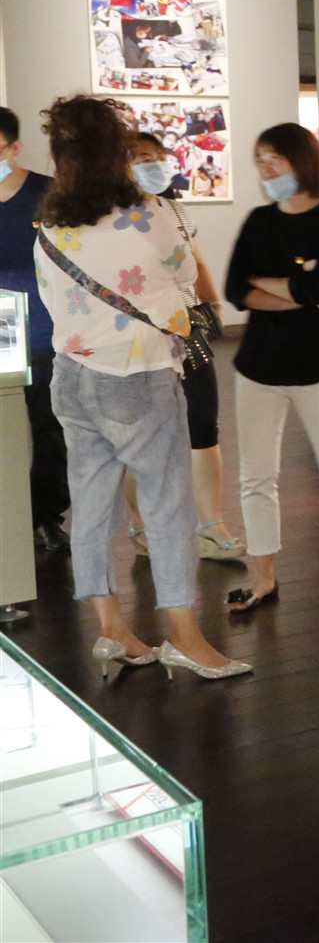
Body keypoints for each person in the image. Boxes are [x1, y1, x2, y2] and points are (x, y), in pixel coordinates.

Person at [30, 97, 249, 682]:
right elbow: (186, 275)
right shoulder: (149, 214)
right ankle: (185, 636)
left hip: (71, 376)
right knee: (167, 503)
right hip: (137, 377)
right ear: (116, 152)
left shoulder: (48, 225)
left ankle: (111, 627)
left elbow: (51, 301)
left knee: (91, 501)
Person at [222, 123, 319, 612]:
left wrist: (271, 284)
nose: (265, 168)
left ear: (302, 160)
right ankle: (263, 577)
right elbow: (235, 289)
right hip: (259, 366)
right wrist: (299, 292)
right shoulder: (259, 220)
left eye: (274, 157)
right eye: (259, 159)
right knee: (256, 476)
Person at [124, 132, 242, 564]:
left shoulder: (174, 208)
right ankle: (141, 524)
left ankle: (211, 524)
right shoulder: (112, 216)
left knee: (203, 424)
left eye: (159, 157)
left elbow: (199, 262)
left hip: (187, 330)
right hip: (139, 335)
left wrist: (213, 306)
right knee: (142, 436)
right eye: (143, 158)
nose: (154, 165)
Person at [0, 107, 70, 552]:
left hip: (45, 323)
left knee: (49, 426)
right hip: (1, 325)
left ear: (14, 148)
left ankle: (46, 515)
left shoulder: (47, 193)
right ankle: (9, 518)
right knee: (5, 425)